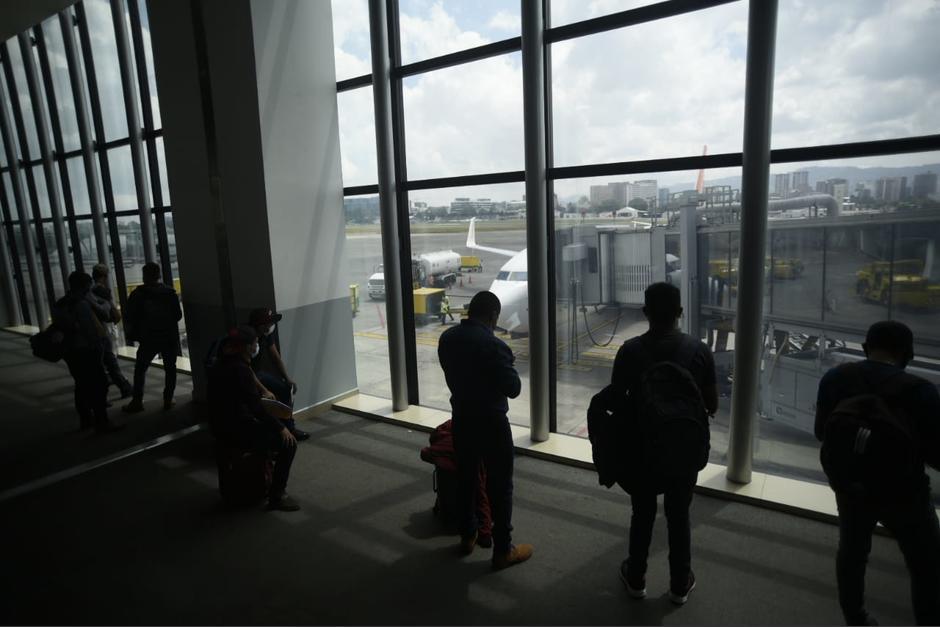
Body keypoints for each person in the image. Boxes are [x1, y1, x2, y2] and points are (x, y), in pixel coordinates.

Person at [815, 321, 940, 626]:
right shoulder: (921, 391)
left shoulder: (835, 378)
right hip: (905, 493)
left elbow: (822, 432)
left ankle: (855, 617)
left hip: (851, 487)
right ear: (908, 354)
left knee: (852, 553)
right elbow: (936, 455)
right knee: (926, 563)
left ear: (864, 348)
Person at [609, 282, 717, 605]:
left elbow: (616, 402)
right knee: (679, 515)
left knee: (642, 513)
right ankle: (680, 584)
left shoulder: (629, 351)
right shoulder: (699, 351)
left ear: (645, 312)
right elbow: (711, 405)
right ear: (680, 312)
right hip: (683, 450)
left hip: (642, 450)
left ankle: (636, 578)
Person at [437, 290, 533, 570]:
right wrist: (508, 364)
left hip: (462, 418)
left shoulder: (447, 339)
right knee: (500, 485)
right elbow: (513, 388)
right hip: (491, 423)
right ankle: (503, 550)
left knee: (467, 477)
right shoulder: (494, 346)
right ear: (493, 316)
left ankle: (468, 535)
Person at [207, 326, 300, 512]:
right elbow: (256, 409)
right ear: (247, 347)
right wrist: (281, 428)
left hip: (219, 426)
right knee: (289, 444)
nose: (257, 346)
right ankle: (277, 495)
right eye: (255, 343)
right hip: (236, 428)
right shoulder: (240, 370)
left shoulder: (221, 363)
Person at [54, 271, 123, 434]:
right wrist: (99, 347)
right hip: (86, 350)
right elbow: (91, 330)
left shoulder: (60, 304)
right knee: (99, 384)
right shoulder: (81, 304)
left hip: (69, 351)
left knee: (81, 385)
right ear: (84, 286)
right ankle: (102, 421)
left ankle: (85, 419)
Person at [123, 262, 182, 413]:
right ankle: (168, 399)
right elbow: (177, 315)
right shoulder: (169, 293)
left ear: (144, 276)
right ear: (159, 275)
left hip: (148, 338)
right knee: (170, 369)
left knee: (140, 369)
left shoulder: (138, 294)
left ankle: (137, 401)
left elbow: (129, 315)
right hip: (168, 337)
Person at [247, 308, 309, 441]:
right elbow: (245, 369)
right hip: (245, 377)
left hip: (258, 374)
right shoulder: (248, 337)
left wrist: (287, 378)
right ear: (260, 325)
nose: (271, 325)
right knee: (260, 403)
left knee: (285, 389)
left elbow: (275, 356)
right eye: (269, 323)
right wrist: (264, 390)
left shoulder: (266, 334)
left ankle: (290, 429)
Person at [91, 263, 133, 400]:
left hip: (94, 330)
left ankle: (119, 384)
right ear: (104, 276)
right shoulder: (102, 291)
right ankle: (123, 386)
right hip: (103, 328)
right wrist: (117, 316)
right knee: (110, 358)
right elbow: (111, 309)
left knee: (104, 360)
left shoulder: (89, 291)